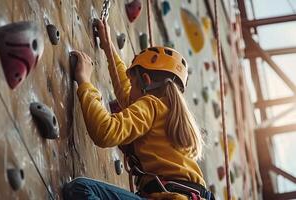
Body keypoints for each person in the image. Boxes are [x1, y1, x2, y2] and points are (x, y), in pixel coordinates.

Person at [63, 19, 214, 200]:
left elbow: (105, 131)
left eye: (134, 82)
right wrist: (108, 47)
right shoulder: (172, 116)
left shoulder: (152, 105)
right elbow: (126, 92)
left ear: (146, 81)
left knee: (80, 190)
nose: (130, 91)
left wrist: (84, 80)